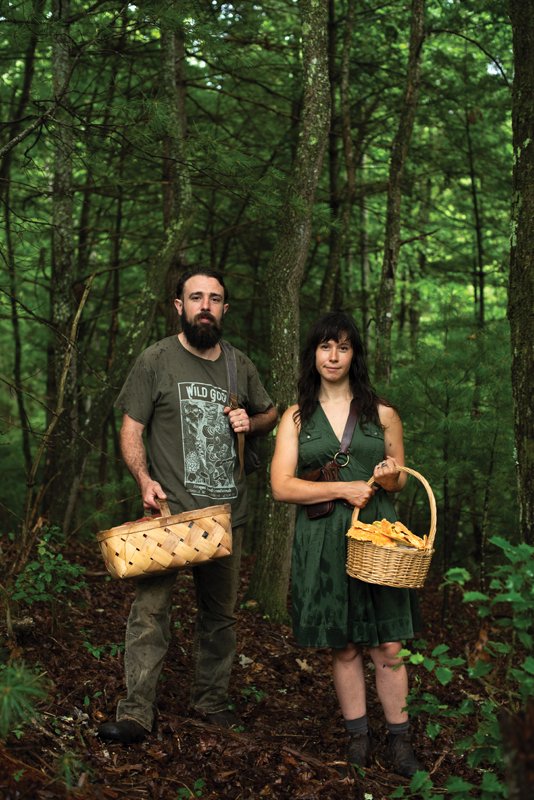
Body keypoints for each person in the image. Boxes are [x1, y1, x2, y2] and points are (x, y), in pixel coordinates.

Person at [97, 268, 278, 744]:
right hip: (169, 517)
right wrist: (143, 478)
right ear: (178, 305)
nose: (205, 306)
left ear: (224, 308)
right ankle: (136, 713)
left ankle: (210, 703)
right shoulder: (156, 359)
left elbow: (271, 412)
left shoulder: (239, 365)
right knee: (150, 612)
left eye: (214, 299)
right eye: (195, 297)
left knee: (219, 617)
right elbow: (131, 429)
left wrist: (251, 422)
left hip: (224, 519)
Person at [270, 311, 422, 777]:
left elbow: (397, 483)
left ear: (354, 354)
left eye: (343, 347)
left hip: (377, 537)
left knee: (389, 645)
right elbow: (281, 487)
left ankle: (400, 742)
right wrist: (341, 488)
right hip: (323, 537)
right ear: (313, 354)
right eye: (324, 346)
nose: (333, 356)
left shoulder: (383, 414)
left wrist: (385, 475)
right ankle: (358, 737)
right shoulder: (296, 417)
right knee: (345, 646)